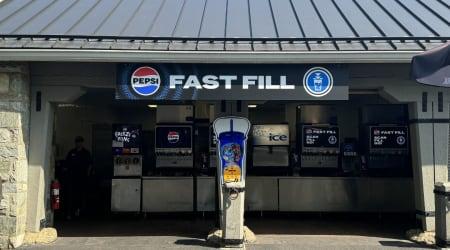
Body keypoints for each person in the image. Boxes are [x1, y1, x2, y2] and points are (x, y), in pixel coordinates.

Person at [64, 136, 92, 219]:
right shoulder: (71, 152)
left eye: (80, 142)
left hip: (82, 177)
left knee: (81, 195)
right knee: (71, 195)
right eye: (77, 142)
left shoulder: (86, 153)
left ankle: (80, 211)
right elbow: (66, 163)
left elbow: (90, 165)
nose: (78, 143)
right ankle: (71, 212)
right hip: (72, 177)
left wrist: (88, 175)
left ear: (82, 143)